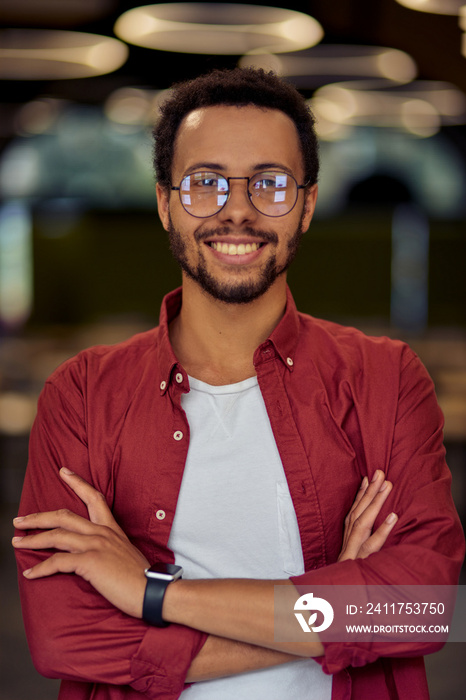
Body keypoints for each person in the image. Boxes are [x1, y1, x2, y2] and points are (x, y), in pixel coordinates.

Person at [13, 68, 464, 700]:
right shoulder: (83, 395)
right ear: (166, 201)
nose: (237, 210)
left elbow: (423, 607)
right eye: (205, 182)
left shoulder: (386, 379)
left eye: (270, 184)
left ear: (306, 204)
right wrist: (337, 609)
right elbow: (65, 635)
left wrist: (151, 592)